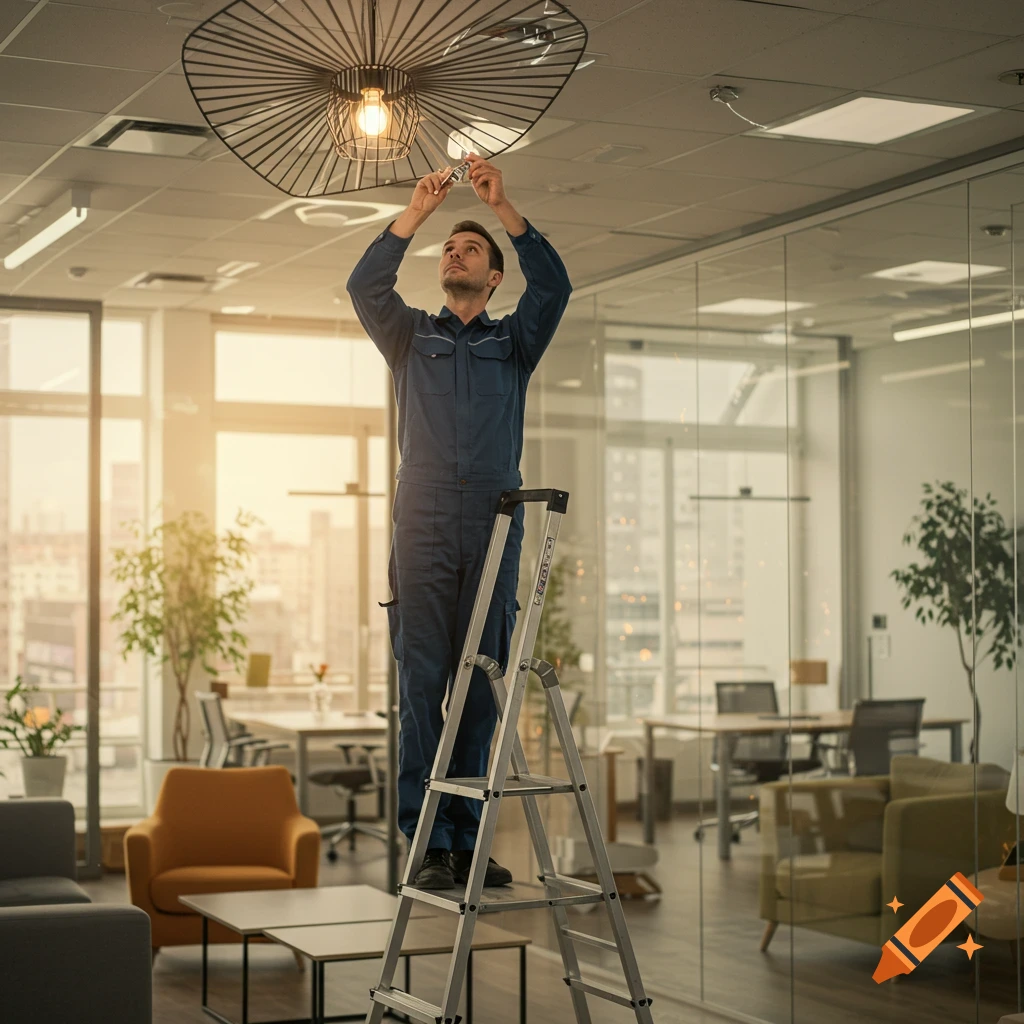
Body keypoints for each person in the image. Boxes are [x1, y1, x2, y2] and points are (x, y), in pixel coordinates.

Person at [347, 153, 572, 889]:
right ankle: (426, 842)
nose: (454, 253)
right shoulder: (413, 337)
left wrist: (502, 205)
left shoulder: (513, 345)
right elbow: (364, 284)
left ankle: (467, 840)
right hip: (423, 527)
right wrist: (415, 212)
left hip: (494, 529)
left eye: (469, 248)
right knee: (420, 688)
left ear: (494, 275)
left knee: (479, 688)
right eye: (448, 248)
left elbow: (557, 286)